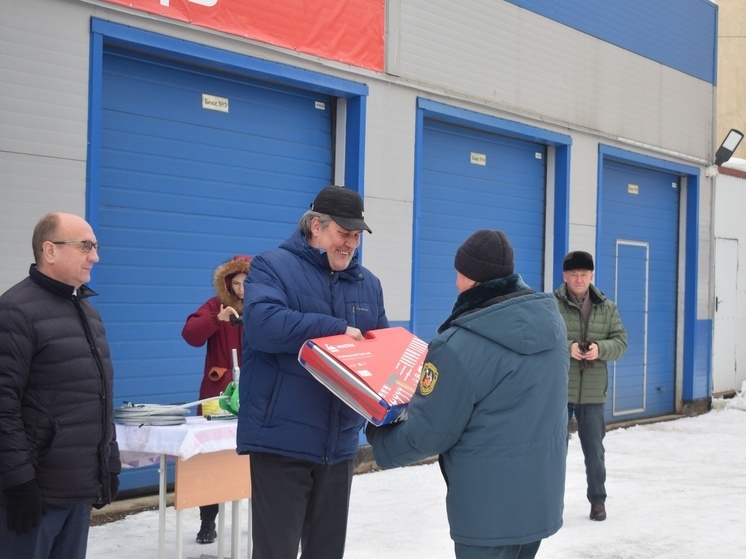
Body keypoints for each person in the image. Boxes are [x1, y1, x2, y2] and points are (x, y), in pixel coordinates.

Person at [367, 229, 569, 559]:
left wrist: (379, 437)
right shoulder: (554, 327)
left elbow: (429, 433)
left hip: (486, 512)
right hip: (539, 499)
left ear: (470, 278)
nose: (455, 283)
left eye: (458, 275)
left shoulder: (456, 347)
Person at [237, 185, 389, 559]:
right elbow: (264, 326)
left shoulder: (368, 284)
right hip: (282, 442)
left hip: (337, 446)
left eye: (356, 236)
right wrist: (335, 329)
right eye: (343, 233)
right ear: (316, 226)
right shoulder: (272, 266)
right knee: (277, 552)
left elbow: (382, 354)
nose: (350, 244)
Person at [0, 212, 120, 559]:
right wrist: (18, 482)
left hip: (77, 489)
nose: (94, 256)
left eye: (95, 247)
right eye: (85, 246)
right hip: (35, 493)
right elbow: (3, 404)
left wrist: (108, 462)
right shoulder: (15, 312)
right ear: (49, 251)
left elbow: (99, 394)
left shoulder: (88, 313)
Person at [181, 254, 252, 544]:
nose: (241, 289)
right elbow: (190, 335)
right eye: (235, 282)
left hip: (257, 395)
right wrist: (216, 319)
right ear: (227, 283)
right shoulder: (215, 306)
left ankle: (266, 522)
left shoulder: (267, 306)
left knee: (260, 462)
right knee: (211, 461)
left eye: (246, 282)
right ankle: (207, 522)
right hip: (217, 395)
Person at [554, 250, 627, 522]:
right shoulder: (552, 305)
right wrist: (568, 347)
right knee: (554, 450)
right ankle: (551, 504)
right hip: (560, 391)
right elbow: (543, 339)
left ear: (591, 276)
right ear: (565, 276)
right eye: (573, 274)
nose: (579, 279)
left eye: (584, 274)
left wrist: (600, 348)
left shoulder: (607, 308)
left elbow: (621, 342)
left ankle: (598, 501)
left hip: (594, 394)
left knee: (595, 452)